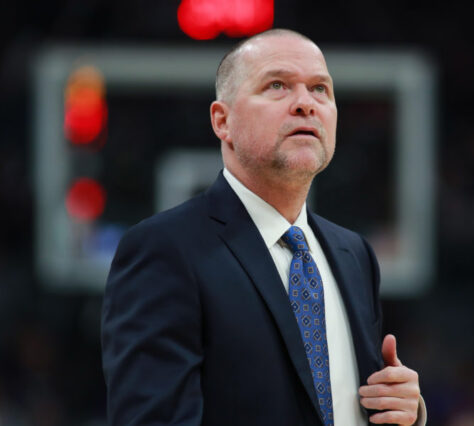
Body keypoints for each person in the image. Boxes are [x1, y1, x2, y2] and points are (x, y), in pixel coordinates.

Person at [101, 28, 426, 425]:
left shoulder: (354, 254)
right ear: (223, 121)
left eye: (320, 89)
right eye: (278, 86)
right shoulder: (164, 249)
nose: (306, 103)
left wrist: (401, 412)